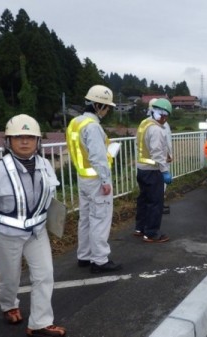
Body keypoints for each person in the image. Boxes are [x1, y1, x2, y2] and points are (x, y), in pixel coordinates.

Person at [0, 114, 66, 337]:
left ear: (38, 141)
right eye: (18, 137)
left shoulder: (45, 165)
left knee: (45, 274)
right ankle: (8, 304)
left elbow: (50, 197)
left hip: (37, 232)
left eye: (30, 137)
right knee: (10, 275)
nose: (24, 141)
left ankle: (40, 323)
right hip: (6, 234)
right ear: (8, 141)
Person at [66, 85, 122, 273]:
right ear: (98, 106)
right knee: (100, 219)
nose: (107, 111)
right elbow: (97, 157)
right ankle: (100, 260)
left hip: (83, 178)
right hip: (97, 180)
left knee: (86, 219)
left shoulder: (75, 123)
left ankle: (84, 256)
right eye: (107, 107)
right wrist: (106, 181)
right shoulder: (93, 127)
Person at [134, 98, 173, 242]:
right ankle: (151, 233)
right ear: (163, 115)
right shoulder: (156, 129)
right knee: (155, 202)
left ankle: (140, 228)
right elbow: (157, 152)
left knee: (144, 200)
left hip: (141, 169)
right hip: (153, 170)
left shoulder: (144, 123)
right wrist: (165, 171)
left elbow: (140, 144)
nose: (165, 119)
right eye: (166, 116)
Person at [148, 98, 173, 214]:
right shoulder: (155, 125)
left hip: (159, 160)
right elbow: (159, 146)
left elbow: (165, 142)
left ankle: (160, 204)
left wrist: (168, 154)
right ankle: (158, 207)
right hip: (156, 163)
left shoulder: (150, 123)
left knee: (160, 187)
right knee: (158, 187)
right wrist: (164, 169)